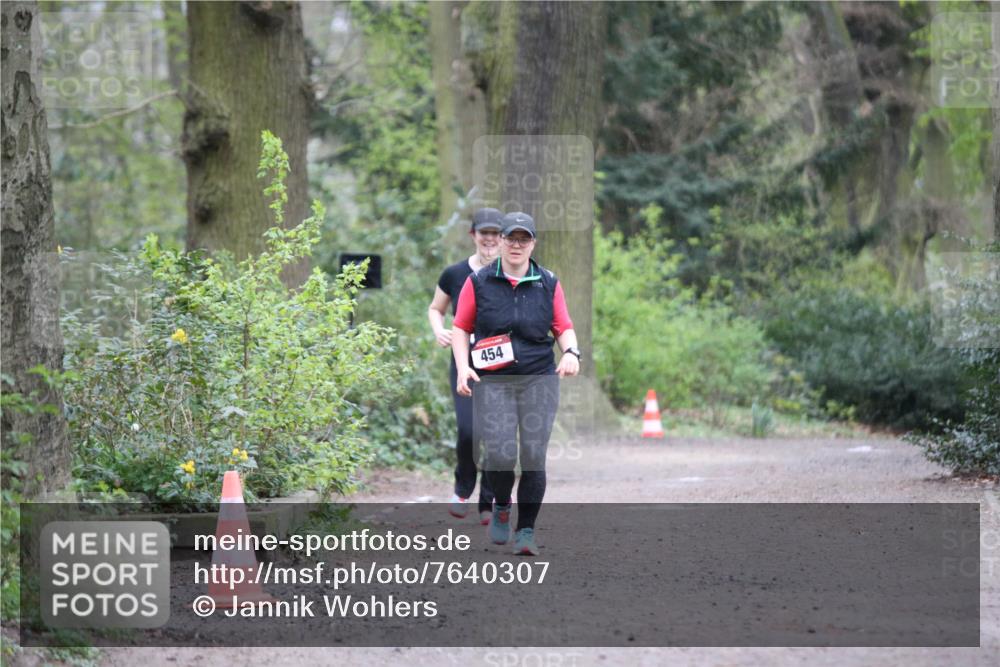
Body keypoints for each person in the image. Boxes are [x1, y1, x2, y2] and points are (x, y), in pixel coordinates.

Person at [451, 211, 581, 555]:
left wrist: (571, 352)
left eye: (524, 239)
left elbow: (563, 325)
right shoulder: (478, 281)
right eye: (511, 238)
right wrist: (464, 368)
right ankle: (501, 504)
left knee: (534, 455)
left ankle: (525, 532)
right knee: (501, 452)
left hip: (538, 378)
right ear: (502, 241)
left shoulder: (548, 282)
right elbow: (461, 328)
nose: (516, 245)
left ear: (533, 244)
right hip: (494, 381)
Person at [428, 208, 502, 524]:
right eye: (483, 233)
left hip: (501, 365)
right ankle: (462, 487)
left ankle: (489, 500)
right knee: (469, 430)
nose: (489, 239)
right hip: (463, 362)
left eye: (495, 233)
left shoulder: (509, 272)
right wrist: (438, 329)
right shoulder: (455, 274)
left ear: (502, 238)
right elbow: (435, 308)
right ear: (473, 235)